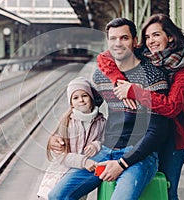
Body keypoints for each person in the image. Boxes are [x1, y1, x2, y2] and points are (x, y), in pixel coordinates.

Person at [48, 18, 172, 200]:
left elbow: (157, 131)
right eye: (113, 39)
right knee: (57, 196)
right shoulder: (101, 75)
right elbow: (83, 106)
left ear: (135, 41)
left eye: (124, 38)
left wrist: (121, 164)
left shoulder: (153, 76)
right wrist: (57, 135)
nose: (118, 44)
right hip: (106, 151)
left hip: (140, 156)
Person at [98, 14, 184, 200]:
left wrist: (133, 91)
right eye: (148, 36)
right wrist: (118, 81)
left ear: (171, 37)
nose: (151, 41)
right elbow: (104, 58)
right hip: (147, 135)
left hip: (173, 139)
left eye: (156, 35)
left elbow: (172, 107)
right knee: (143, 188)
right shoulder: (145, 55)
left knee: (166, 190)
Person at [37, 77, 106, 199]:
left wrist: (97, 145)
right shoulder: (67, 123)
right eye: (75, 97)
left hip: (82, 174)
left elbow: (106, 143)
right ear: (71, 103)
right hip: (61, 174)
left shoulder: (101, 122)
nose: (81, 100)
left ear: (91, 97)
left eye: (84, 95)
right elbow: (60, 155)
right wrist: (83, 161)